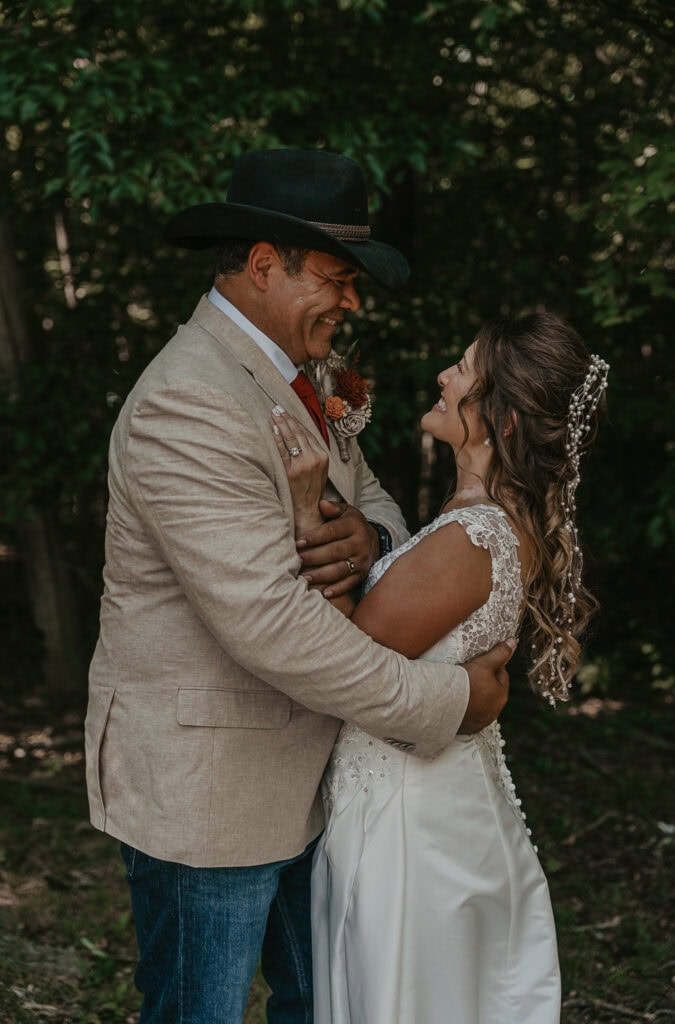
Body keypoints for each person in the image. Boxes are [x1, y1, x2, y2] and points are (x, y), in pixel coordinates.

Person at [84, 148, 514, 1024]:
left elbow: (377, 500)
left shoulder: (303, 377)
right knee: (198, 1012)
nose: (351, 302)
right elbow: (268, 622)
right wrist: (447, 701)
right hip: (209, 786)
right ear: (261, 265)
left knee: (319, 1001)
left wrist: (373, 538)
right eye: (336, 278)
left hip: (313, 774)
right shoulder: (187, 402)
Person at [271, 312, 609, 1024]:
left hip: (408, 821)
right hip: (428, 798)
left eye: (462, 369)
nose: (443, 375)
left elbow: (345, 656)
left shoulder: (470, 535)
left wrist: (307, 512)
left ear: (500, 420)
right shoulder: (487, 517)